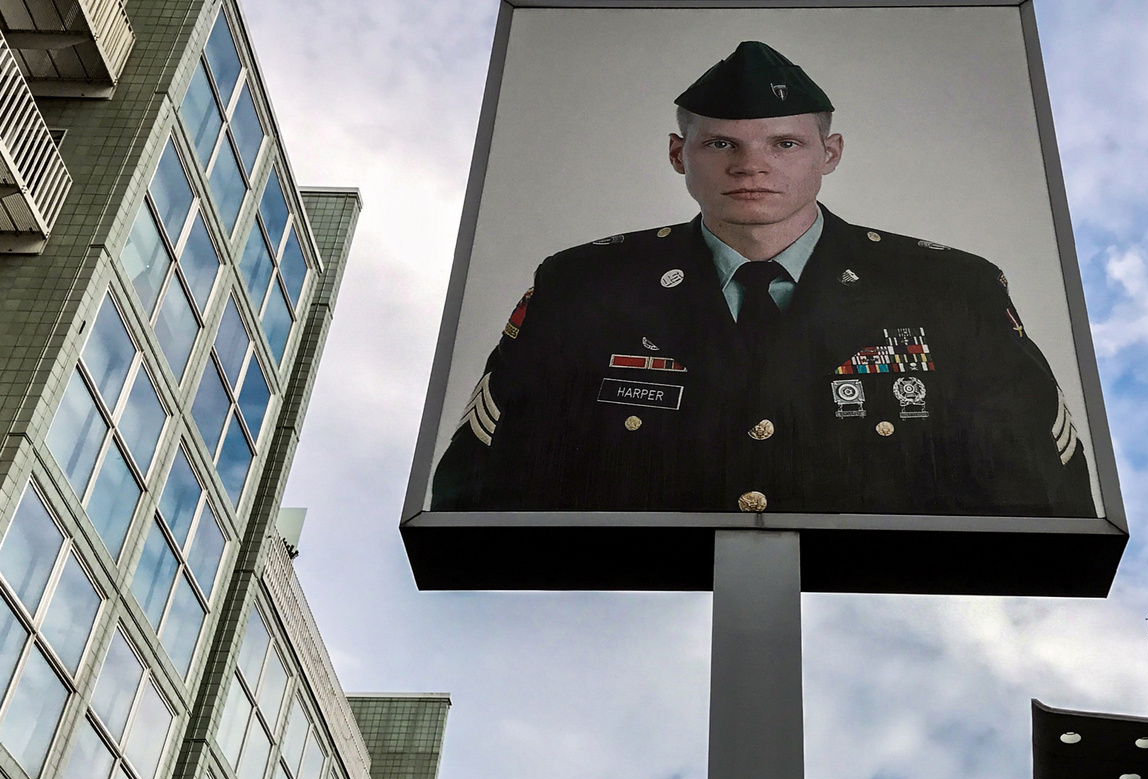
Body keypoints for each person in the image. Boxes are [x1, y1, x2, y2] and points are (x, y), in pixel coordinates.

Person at [431, 40, 1094, 516]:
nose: (752, 167)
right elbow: (478, 499)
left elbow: (1044, 502)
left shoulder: (950, 291)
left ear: (828, 153)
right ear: (677, 154)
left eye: (785, 144)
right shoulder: (582, 288)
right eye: (722, 144)